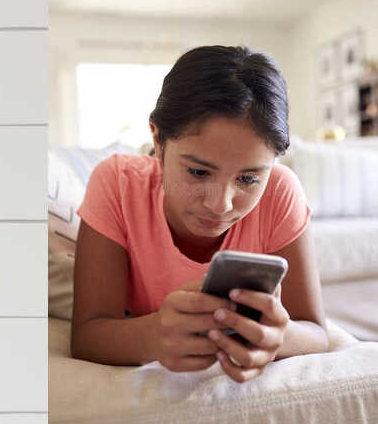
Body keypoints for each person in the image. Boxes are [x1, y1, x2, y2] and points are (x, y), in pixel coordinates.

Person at [69, 45, 331, 383]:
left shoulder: (280, 190)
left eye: (249, 179)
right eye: (198, 172)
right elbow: (88, 336)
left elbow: (317, 333)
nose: (220, 205)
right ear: (158, 140)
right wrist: (152, 336)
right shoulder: (117, 184)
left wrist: (279, 338)